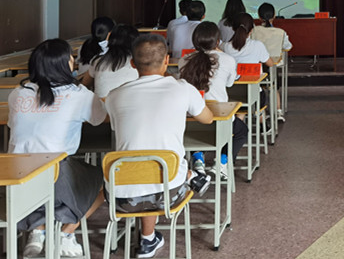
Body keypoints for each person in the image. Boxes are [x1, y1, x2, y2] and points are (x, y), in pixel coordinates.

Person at [106, 34, 214, 258]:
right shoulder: (183, 89)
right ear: (167, 60)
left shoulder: (114, 96)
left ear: (132, 64)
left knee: (144, 165)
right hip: (168, 192)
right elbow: (208, 119)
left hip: (121, 197)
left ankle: (148, 239)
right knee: (160, 168)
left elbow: (118, 130)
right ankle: (192, 175)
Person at [8, 39, 107, 258]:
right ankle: (67, 231)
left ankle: (37, 230)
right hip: (57, 175)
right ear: (65, 64)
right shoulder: (79, 95)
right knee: (108, 179)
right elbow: (99, 119)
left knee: (43, 179)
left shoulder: (18, 93)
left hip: (17, 178)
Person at [179, 22, 241, 179]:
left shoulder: (184, 59)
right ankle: (222, 162)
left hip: (191, 117)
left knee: (196, 134)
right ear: (218, 40)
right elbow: (230, 84)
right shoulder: (227, 59)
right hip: (219, 117)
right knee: (241, 132)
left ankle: (198, 158)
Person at [84, 24, 140, 97]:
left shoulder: (98, 61)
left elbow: (85, 84)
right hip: (128, 105)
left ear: (110, 40)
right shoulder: (139, 62)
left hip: (102, 106)